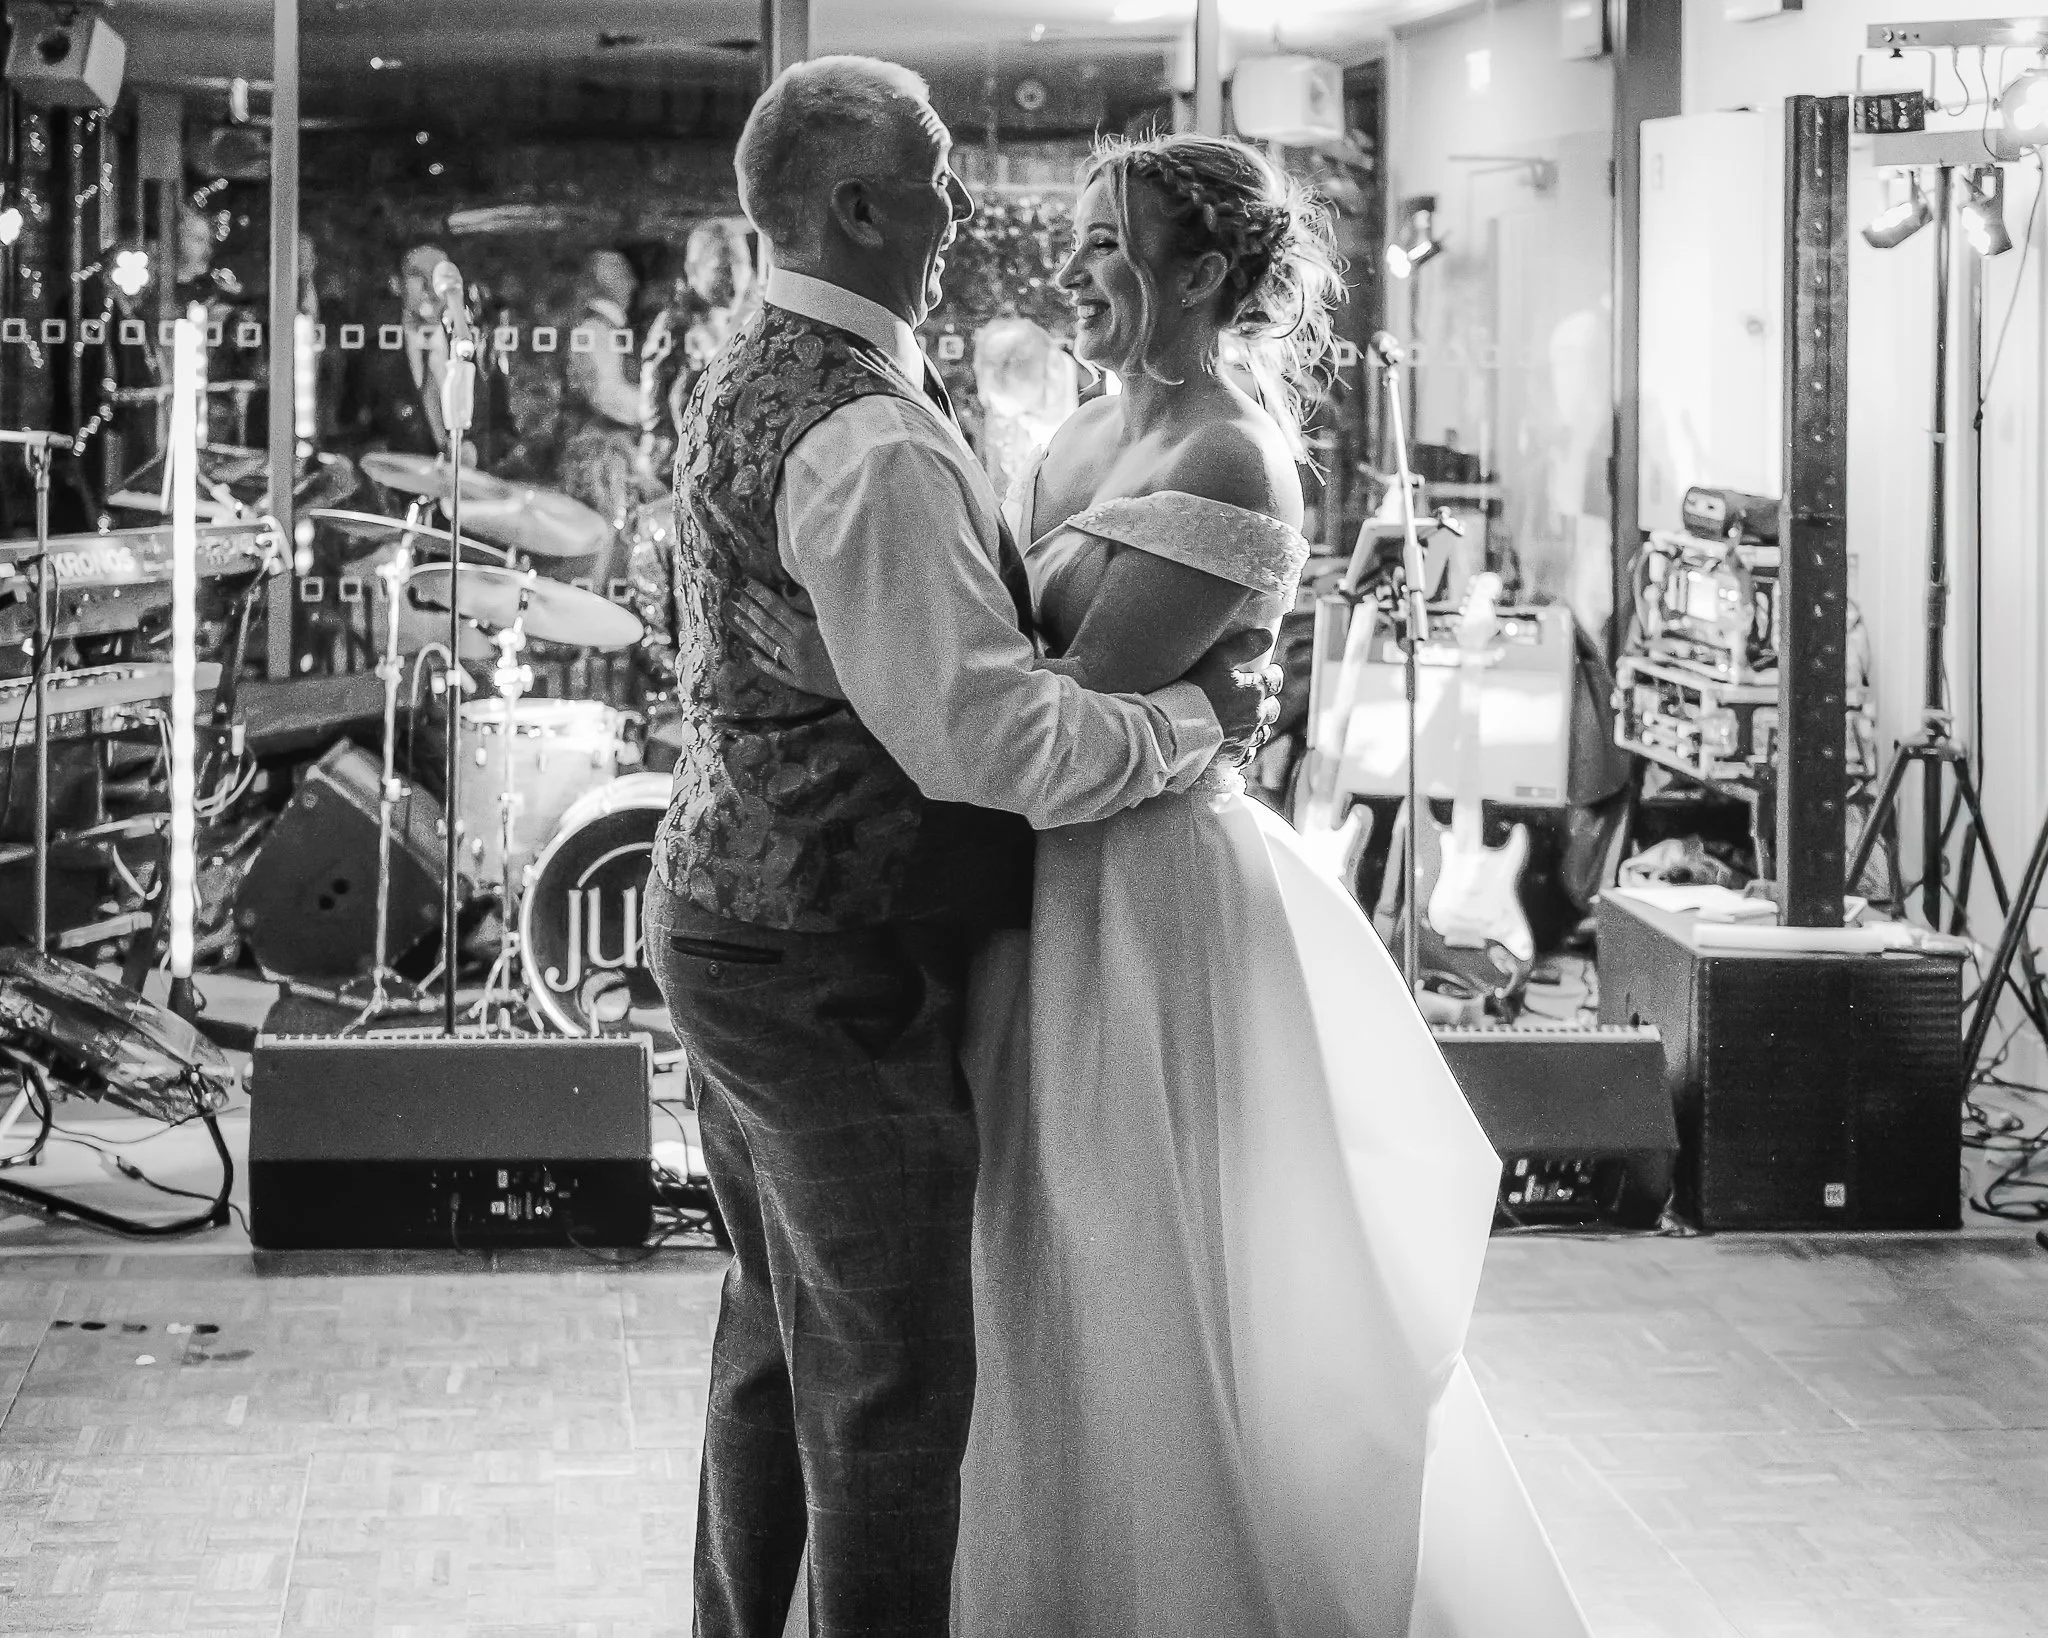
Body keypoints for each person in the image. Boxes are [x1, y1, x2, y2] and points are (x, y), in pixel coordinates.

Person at [739, 135, 1592, 1637]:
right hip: (1031, 896)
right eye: (1074, 245)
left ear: (1203, 273)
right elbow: (1003, 680)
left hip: (1139, 902)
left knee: (1138, 1262)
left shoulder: (1228, 456)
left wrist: (1024, 698)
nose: (1077, 276)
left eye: (1109, 250)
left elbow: (1057, 706)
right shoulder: (1067, 435)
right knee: (1027, 1261)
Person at [642, 58, 1278, 1638]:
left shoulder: (762, 369)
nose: (964, 207)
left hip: (740, 913)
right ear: (859, 205)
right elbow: (999, 744)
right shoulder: (870, 438)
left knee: (783, 1338)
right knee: (892, 1380)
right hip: (822, 958)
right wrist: (1209, 720)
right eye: (935, 176)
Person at [336, 242, 518, 473]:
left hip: (468, 500)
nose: (429, 286)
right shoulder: (371, 361)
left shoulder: (476, 350)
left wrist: (477, 453)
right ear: (396, 284)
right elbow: (350, 436)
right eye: (416, 275)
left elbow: (504, 430)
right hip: (400, 501)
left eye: (438, 274)